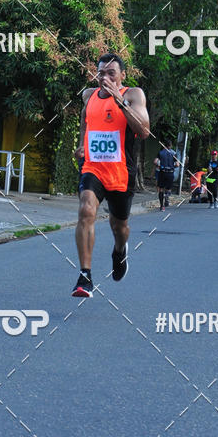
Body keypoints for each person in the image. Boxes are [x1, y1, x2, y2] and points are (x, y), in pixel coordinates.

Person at [72, 53, 150, 297]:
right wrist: (82, 144)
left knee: (120, 226)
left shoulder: (133, 95)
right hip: (92, 167)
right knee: (86, 210)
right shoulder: (88, 95)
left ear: (122, 76)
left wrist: (119, 101)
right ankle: (85, 276)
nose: (104, 78)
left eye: (110, 73)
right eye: (100, 73)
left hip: (120, 173)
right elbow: (86, 121)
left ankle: (119, 250)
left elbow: (144, 130)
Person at [155, 141, 180, 210]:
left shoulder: (160, 153)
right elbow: (177, 164)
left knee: (161, 189)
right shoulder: (174, 153)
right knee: (168, 189)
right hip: (170, 173)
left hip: (162, 172)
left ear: (164, 145)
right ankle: (166, 196)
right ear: (171, 146)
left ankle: (161, 206)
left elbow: (155, 162)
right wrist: (172, 167)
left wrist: (160, 166)